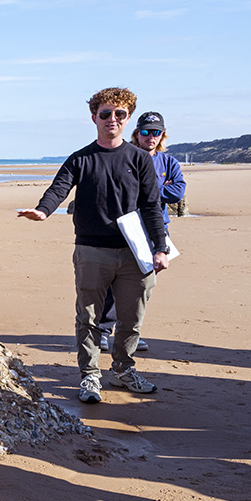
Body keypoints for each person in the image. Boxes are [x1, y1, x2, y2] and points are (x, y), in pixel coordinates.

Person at [18, 87, 170, 404]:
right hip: (91, 252)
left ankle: (123, 372)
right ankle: (89, 376)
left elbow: (153, 206)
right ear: (94, 118)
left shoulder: (140, 159)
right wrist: (43, 210)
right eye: (105, 113)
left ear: (127, 119)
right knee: (88, 318)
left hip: (134, 255)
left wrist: (161, 248)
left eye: (119, 114)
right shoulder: (81, 159)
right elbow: (59, 187)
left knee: (131, 319)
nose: (111, 119)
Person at [94, 110, 187, 352]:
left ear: (162, 135)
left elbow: (177, 192)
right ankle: (103, 330)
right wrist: (156, 188)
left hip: (157, 230)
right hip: (128, 228)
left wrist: (150, 189)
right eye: (145, 132)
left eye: (156, 132)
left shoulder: (169, 162)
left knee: (142, 286)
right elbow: (125, 190)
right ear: (137, 133)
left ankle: (130, 333)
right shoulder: (128, 156)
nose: (150, 137)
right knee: (117, 283)